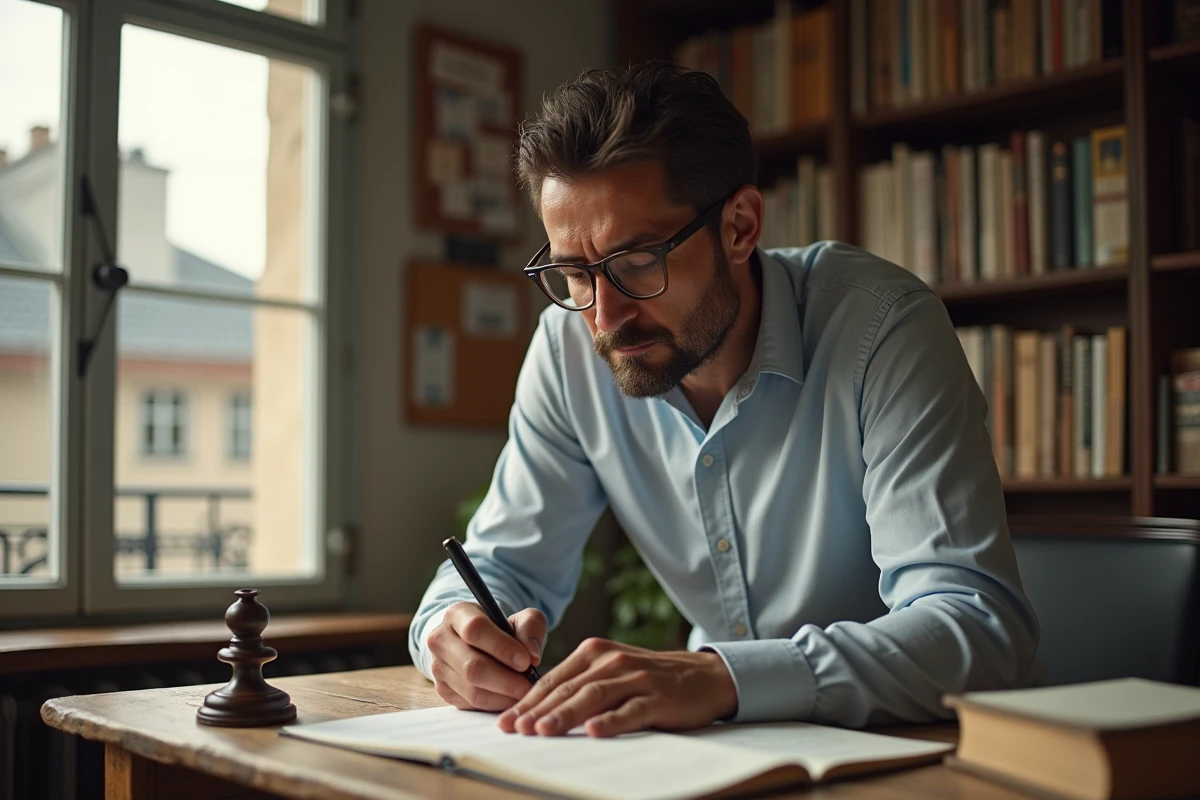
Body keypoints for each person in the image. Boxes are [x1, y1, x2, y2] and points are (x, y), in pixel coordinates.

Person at [408, 61, 1039, 738]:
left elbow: (974, 628)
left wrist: (721, 678)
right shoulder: (567, 355)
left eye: (638, 261)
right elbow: (501, 566)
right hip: (716, 749)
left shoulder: (882, 329)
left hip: (912, 749)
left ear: (740, 226)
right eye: (574, 274)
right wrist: (452, 633)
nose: (604, 317)